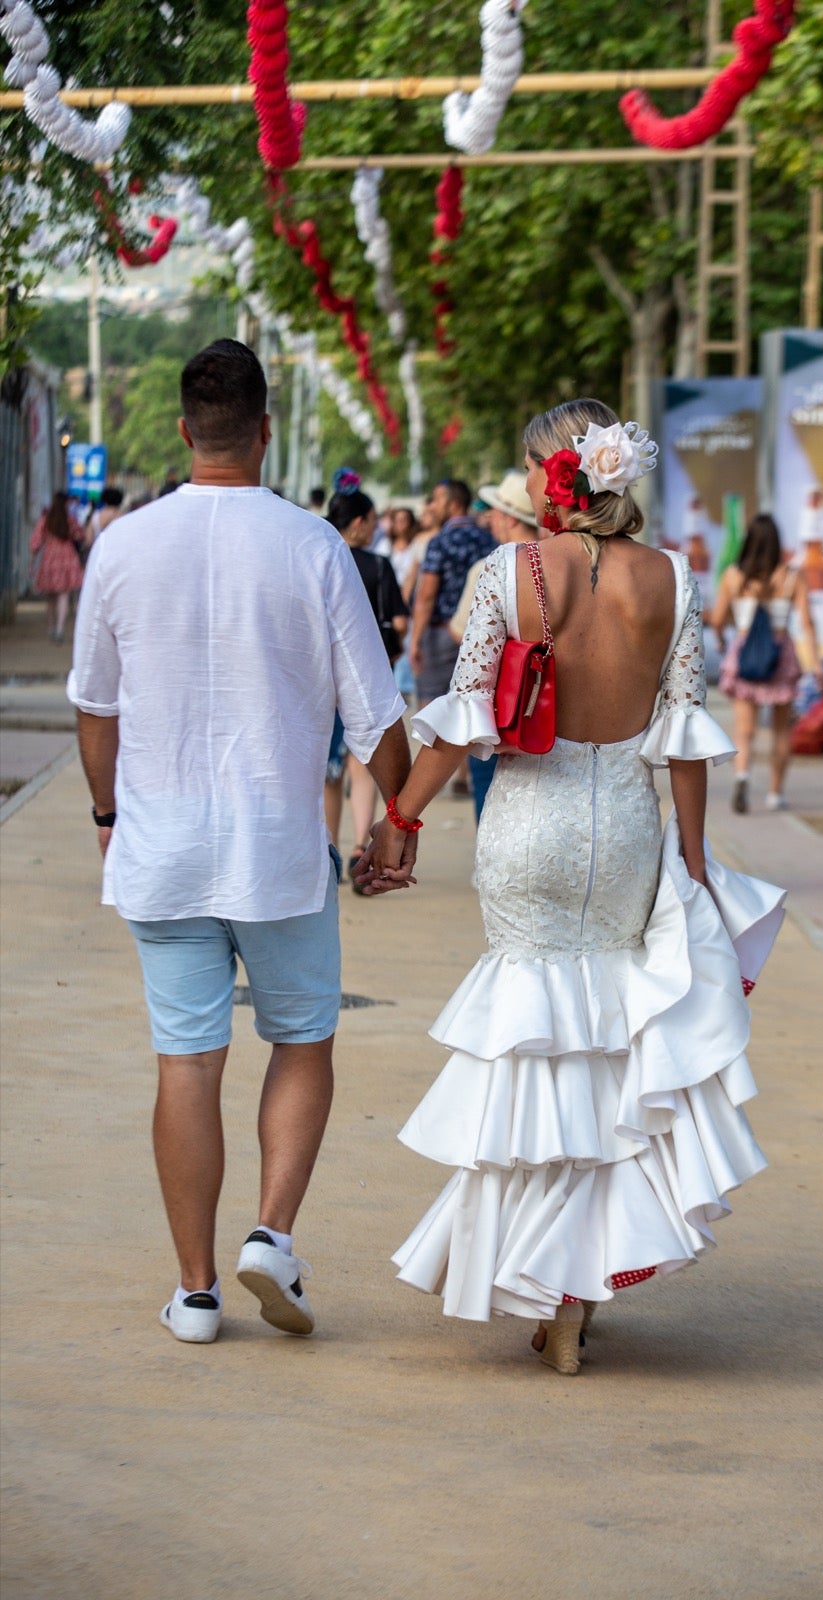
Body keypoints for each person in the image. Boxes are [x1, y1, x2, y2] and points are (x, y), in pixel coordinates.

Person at [358, 399, 785, 1376]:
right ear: (614, 473)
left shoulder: (507, 573)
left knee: (530, 1049)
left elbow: (467, 723)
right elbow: (683, 740)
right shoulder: (672, 579)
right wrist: (689, 862)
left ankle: (532, 1274)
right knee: (607, 1050)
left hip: (530, 827)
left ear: (545, 478)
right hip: (628, 829)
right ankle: (575, 1295)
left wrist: (402, 819)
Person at [69, 340, 410, 1346]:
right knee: (302, 1037)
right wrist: (398, 819)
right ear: (264, 431)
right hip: (278, 852)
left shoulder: (123, 546)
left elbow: (95, 709)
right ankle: (272, 1232)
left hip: (163, 845)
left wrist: (105, 817)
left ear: (184, 431)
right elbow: (375, 716)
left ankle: (196, 1289)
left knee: (186, 1060)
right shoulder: (313, 547)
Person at [322, 469, 409, 881]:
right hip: (370, 676)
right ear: (358, 523)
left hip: (323, 683)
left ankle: (329, 847)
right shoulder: (378, 564)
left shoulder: (315, 558)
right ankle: (362, 841)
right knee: (362, 760)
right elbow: (399, 621)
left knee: (329, 772)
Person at [710, 513, 823, 814]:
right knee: (781, 731)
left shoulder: (733, 575)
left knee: (744, 731)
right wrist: (817, 664)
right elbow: (807, 622)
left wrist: (722, 640)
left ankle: (742, 775)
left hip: (746, 654)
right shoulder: (791, 576)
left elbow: (718, 619)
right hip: (780, 655)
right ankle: (775, 794)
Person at [448, 469, 541, 823]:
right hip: (549, 712)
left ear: (506, 517)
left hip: (496, 708)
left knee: (488, 800)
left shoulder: (490, 568)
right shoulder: (566, 565)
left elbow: (463, 634)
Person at [407, 478, 495, 707]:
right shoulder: (489, 539)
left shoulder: (440, 541)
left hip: (441, 634)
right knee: (471, 707)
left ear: (454, 504)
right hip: (480, 633)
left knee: (431, 705)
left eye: (437, 500)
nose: (431, 506)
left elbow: (426, 596)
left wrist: (415, 640)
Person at [30, 490, 83, 642]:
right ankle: (60, 628)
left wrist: (32, 562)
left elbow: (36, 541)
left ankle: (51, 628)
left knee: (51, 597)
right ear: (66, 503)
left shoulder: (45, 519)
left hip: (49, 560)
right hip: (68, 559)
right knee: (64, 595)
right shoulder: (70, 519)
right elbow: (79, 535)